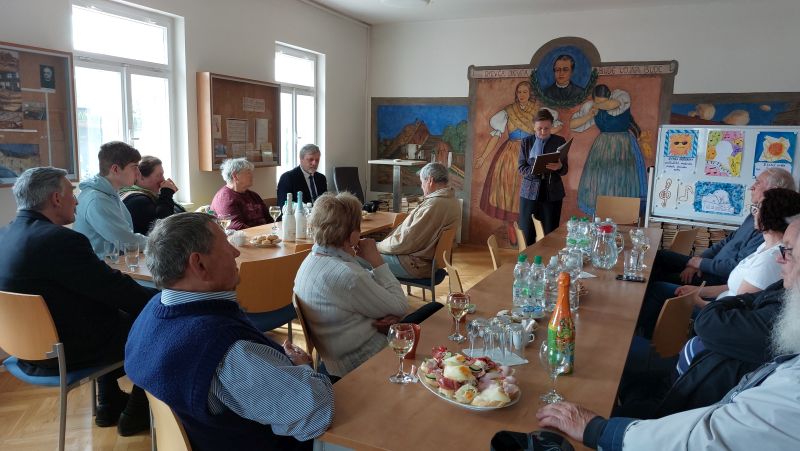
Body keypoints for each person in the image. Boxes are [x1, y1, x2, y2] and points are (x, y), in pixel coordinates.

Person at [536, 231, 800, 449]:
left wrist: (599, 430)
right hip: (682, 379)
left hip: (679, 409)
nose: (779, 259)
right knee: (608, 361)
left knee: (601, 362)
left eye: (788, 252)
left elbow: (711, 436)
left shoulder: (789, 376)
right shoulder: (784, 299)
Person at [125, 213, 334, 450]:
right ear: (199, 264)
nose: (235, 252)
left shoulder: (152, 311)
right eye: (226, 244)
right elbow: (318, 412)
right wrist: (304, 367)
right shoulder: (225, 348)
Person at [0, 167, 157, 435]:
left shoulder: (5, 236)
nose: (76, 200)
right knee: (156, 322)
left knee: (109, 311)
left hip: (25, 349)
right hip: (67, 351)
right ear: (56, 199)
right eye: (71, 193)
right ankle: (137, 411)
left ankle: (108, 402)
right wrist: (164, 302)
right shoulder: (60, 240)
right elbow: (116, 289)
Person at [294, 192, 442, 379]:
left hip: (335, 356)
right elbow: (400, 305)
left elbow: (364, 289)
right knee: (436, 308)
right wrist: (376, 260)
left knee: (431, 309)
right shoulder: (347, 275)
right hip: (366, 360)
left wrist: (387, 315)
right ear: (352, 236)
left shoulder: (311, 260)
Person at [638, 188, 800, 338]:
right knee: (660, 277)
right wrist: (699, 290)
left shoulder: (769, 260)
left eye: (757, 208)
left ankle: (644, 340)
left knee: (657, 289)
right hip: (716, 303)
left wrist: (697, 300)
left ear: (769, 216)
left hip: (716, 316)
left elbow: (736, 311)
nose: (754, 213)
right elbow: (733, 288)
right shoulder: (764, 246)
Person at [653, 167, 796, 286]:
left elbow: (736, 266)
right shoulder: (753, 215)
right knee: (660, 256)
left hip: (718, 277)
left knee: (657, 281)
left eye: (758, 183)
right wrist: (697, 262)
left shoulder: (768, 227)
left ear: (773, 190)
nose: (751, 187)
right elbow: (727, 241)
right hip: (709, 265)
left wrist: (700, 264)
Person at [475, 81, 561, 246]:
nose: (522, 95)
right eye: (519, 92)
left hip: (531, 154)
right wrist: (483, 157)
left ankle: (532, 233)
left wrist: (543, 140)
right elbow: (496, 136)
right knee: (508, 195)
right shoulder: (508, 111)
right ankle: (513, 229)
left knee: (529, 197)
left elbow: (551, 129)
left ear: (530, 93)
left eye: (525, 92)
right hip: (509, 157)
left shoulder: (539, 111)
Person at [570, 84, 646, 217]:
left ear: (609, 96)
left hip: (623, 146)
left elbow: (612, 105)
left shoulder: (620, 97)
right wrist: (589, 115)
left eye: (603, 101)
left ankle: (622, 214)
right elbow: (573, 124)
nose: (600, 104)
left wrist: (598, 105)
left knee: (623, 179)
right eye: (597, 101)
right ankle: (604, 215)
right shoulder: (592, 106)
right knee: (603, 180)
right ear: (594, 99)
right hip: (603, 147)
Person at [377, 162, 461, 279]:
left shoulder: (434, 205)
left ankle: (381, 290)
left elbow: (406, 242)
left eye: (422, 182)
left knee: (359, 255)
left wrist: (378, 246)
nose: (422, 186)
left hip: (414, 265)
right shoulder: (452, 200)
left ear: (430, 180)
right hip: (426, 262)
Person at [74, 141, 148, 258]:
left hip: (111, 264)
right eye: (135, 167)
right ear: (115, 169)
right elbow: (127, 242)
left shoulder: (108, 193)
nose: (138, 173)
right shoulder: (97, 200)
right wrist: (161, 244)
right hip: (100, 267)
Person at [517, 108, 568, 245]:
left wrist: (559, 167)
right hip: (529, 193)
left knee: (550, 233)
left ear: (551, 126)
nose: (543, 132)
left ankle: (547, 259)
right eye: (539, 128)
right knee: (527, 232)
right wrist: (534, 170)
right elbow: (521, 168)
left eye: (547, 128)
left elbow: (565, 170)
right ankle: (526, 258)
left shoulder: (559, 141)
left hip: (553, 193)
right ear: (534, 126)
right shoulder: (526, 142)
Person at [120, 156, 185, 234]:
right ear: (140, 177)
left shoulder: (148, 195)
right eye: (159, 175)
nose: (163, 179)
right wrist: (167, 193)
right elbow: (162, 228)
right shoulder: (137, 201)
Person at [210, 158, 269, 230]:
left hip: (264, 234)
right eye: (248, 173)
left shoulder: (254, 195)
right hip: (244, 236)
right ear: (235, 176)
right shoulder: (224, 198)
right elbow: (236, 226)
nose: (252, 175)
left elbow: (269, 218)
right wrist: (262, 233)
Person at [277, 144, 327, 208]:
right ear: (301, 159)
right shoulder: (288, 178)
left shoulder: (321, 178)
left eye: (317, 160)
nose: (314, 163)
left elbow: (325, 203)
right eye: (310, 159)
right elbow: (284, 206)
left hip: (320, 213)